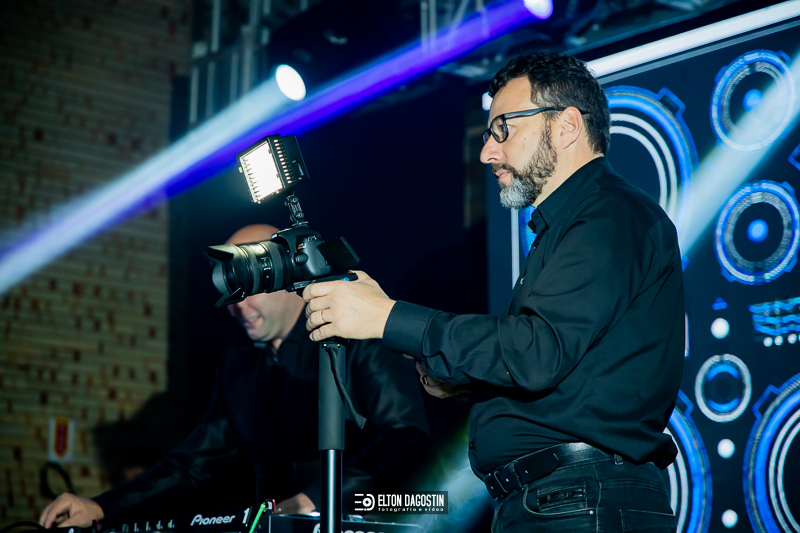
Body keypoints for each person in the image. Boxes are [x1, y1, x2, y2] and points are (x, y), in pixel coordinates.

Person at [302, 52, 684, 532]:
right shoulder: (576, 225)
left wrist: (387, 317)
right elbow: (570, 369)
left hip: (578, 503)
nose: (487, 152)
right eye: (488, 133)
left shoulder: (608, 214)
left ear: (567, 126)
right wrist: (470, 383)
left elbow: (535, 351)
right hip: (559, 501)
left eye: (503, 129)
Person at [40, 224, 430, 528]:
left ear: (286, 277)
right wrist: (101, 507)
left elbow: (406, 438)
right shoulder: (238, 368)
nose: (238, 306)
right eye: (232, 291)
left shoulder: (354, 336)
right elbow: (192, 464)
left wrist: (316, 499)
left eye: (249, 286)